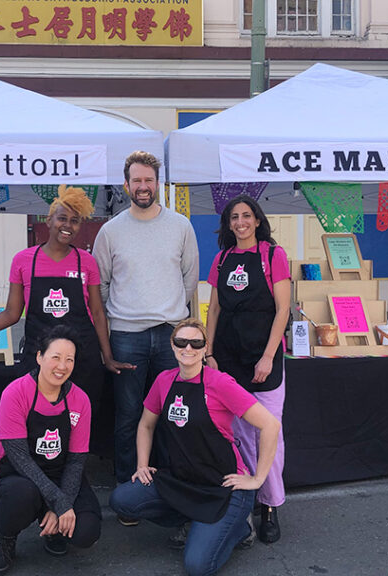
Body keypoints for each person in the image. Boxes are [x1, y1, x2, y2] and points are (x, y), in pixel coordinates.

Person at [0, 185, 130, 450]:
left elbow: (98, 313)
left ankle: (74, 472)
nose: (68, 226)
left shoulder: (86, 262)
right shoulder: (23, 260)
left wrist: (108, 356)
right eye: (62, 218)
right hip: (39, 354)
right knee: (38, 416)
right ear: (48, 220)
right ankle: (41, 472)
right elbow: (12, 313)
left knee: (79, 420)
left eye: (75, 221)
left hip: (83, 357)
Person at [108, 319, 280, 576]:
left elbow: (270, 425)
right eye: (181, 342)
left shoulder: (220, 383)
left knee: (198, 567)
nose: (188, 348)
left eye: (196, 343)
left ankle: (239, 528)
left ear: (204, 347)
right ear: (172, 345)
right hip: (183, 480)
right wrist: (142, 464)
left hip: (223, 486)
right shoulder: (164, 381)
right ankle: (194, 520)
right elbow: (145, 425)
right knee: (122, 500)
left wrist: (257, 479)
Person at [93, 150, 200, 492]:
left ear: (158, 184)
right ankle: (129, 487)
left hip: (172, 337)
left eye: (149, 180)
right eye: (136, 180)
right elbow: (102, 284)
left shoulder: (180, 226)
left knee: (174, 414)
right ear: (126, 185)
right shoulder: (110, 232)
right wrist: (126, 312)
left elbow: (189, 278)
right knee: (128, 416)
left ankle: (171, 485)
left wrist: (169, 310)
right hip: (127, 336)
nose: (143, 186)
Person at [204, 195, 291, 544]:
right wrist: (208, 351)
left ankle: (270, 504)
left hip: (264, 357)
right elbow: (213, 311)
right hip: (228, 359)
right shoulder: (222, 259)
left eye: (246, 216)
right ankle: (247, 496)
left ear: (257, 220)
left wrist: (268, 356)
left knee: (269, 433)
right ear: (228, 225)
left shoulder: (274, 255)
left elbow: (282, 310)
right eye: (233, 218)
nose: (240, 222)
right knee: (239, 434)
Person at [0, 325, 101, 575]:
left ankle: (54, 530)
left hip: (60, 472)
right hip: (19, 473)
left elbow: (77, 462)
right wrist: (58, 502)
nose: (62, 366)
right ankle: (5, 539)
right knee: (20, 494)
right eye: (55, 357)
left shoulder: (80, 400)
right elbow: (19, 458)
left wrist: (62, 504)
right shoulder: (15, 393)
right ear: (39, 356)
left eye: (69, 359)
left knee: (86, 531)